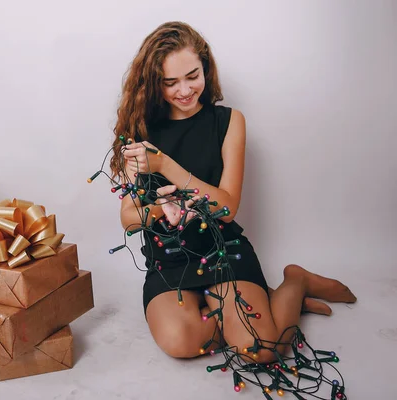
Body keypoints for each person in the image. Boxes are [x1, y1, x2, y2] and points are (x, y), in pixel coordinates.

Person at [109, 21, 357, 363]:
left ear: (206, 68)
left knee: (261, 352)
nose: (184, 90)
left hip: (222, 251)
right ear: (155, 83)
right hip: (169, 260)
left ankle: (294, 282)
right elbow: (128, 219)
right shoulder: (141, 130)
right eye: (170, 82)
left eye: (192, 76)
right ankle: (246, 305)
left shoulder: (229, 122)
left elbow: (226, 209)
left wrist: (165, 165)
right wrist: (161, 211)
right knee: (183, 345)